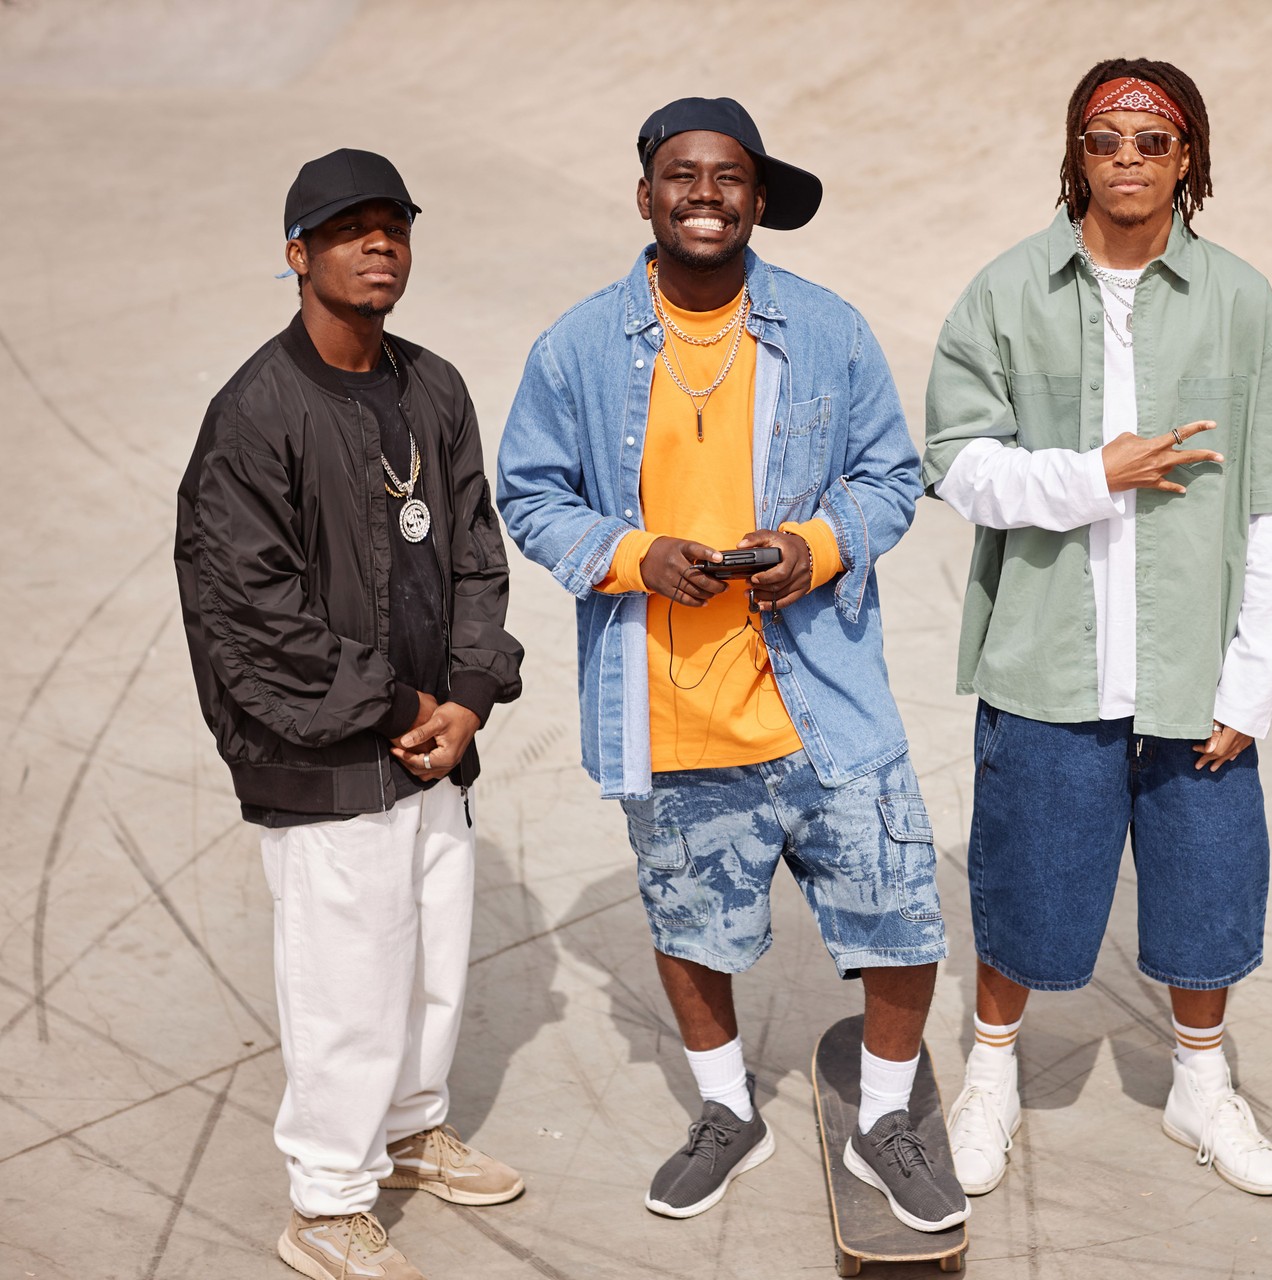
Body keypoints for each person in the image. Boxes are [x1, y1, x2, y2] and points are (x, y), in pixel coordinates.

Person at [495, 97, 967, 1233]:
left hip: (826, 703)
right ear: (646, 193)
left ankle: (887, 1118)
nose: (704, 194)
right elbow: (531, 490)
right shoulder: (576, 345)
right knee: (688, 923)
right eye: (681, 174)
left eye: (728, 178)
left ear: (757, 199)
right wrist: (630, 554)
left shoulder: (827, 329)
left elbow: (892, 477)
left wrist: (811, 547)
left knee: (899, 914)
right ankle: (725, 1111)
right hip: (668, 707)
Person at [921, 60, 1272, 1199]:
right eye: (1106, 138)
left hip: (1195, 672)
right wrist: (1087, 477)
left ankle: (1200, 1088)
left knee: (1208, 893)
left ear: (1187, 156)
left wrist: (1252, 683)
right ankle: (991, 1076)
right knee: (1023, 887)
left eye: (1154, 141)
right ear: (1077, 152)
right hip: (1049, 663)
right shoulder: (1007, 291)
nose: (1129, 159)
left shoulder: (1242, 302)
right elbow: (955, 463)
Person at [174, 149, 525, 1280]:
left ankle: (410, 1129)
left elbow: (477, 555)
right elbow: (252, 611)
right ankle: (327, 1198)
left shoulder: (434, 387)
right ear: (298, 255)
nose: (380, 245)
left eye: (395, 227)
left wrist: (468, 696)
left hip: (433, 745)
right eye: (349, 229)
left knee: (431, 960)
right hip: (323, 755)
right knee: (346, 979)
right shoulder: (255, 413)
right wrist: (400, 704)